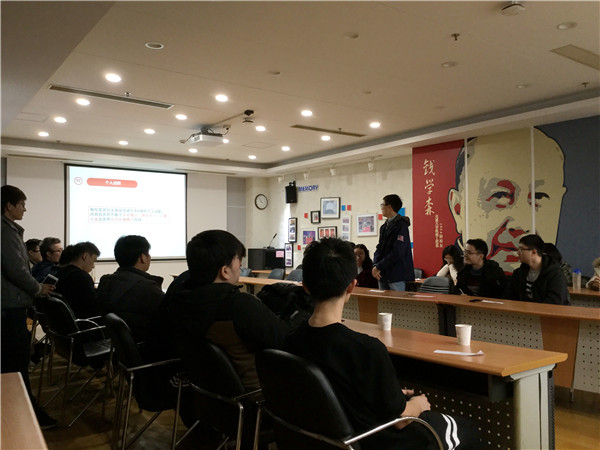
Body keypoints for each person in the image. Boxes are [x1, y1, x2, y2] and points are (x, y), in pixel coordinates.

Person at [286, 238, 480, 450]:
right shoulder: (366, 349)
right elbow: (401, 420)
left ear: (305, 286)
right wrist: (418, 405)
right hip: (380, 440)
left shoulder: (291, 340)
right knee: (468, 430)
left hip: (327, 439)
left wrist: (390, 393)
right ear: (352, 286)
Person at [163, 229, 308, 390]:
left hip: (204, 391)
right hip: (256, 394)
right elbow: (286, 341)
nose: (240, 266)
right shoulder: (239, 305)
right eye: (239, 260)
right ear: (225, 271)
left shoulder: (179, 300)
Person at [448, 128, 567, 274]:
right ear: (458, 209)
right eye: (500, 196)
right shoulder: (466, 272)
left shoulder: (551, 276)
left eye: (539, 196)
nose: (521, 225)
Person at [1, 185, 58, 429]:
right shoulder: (5, 231)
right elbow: (16, 270)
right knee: (15, 365)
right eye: (22, 204)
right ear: (9, 206)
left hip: (8, 306)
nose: (25, 209)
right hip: (9, 308)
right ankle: (24, 415)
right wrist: (38, 288)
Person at [97, 235, 172, 361]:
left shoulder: (106, 282)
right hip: (148, 351)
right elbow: (169, 318)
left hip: (121, 349)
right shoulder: (147, 287)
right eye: (148, 253)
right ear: (142, 257)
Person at [507, 235, 570, 305]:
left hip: (545, 311)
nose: (518, 252)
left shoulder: (555, 275)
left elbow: (554, 302)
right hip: (522, 311)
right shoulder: (519, 273)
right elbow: (509, 296)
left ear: (533, 252)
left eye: (521, 249)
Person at [373, 194, 415, 291]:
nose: (381, 208)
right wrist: (375, 265)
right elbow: (379, 247)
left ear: (389, 207)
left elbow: (398, 251)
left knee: (396, 300)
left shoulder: (401, 225)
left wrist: (379, 266)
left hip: (397, 274)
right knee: (383, 300)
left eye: (382, 205)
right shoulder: (384, 227)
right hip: (382, 273)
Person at [55, 241, 101, 318]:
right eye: (94, 261)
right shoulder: (82, 277)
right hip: (84, 321)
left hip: (63, 321)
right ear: (85, 256)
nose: (93, 266)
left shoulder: (60, 273)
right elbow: (94, 308)